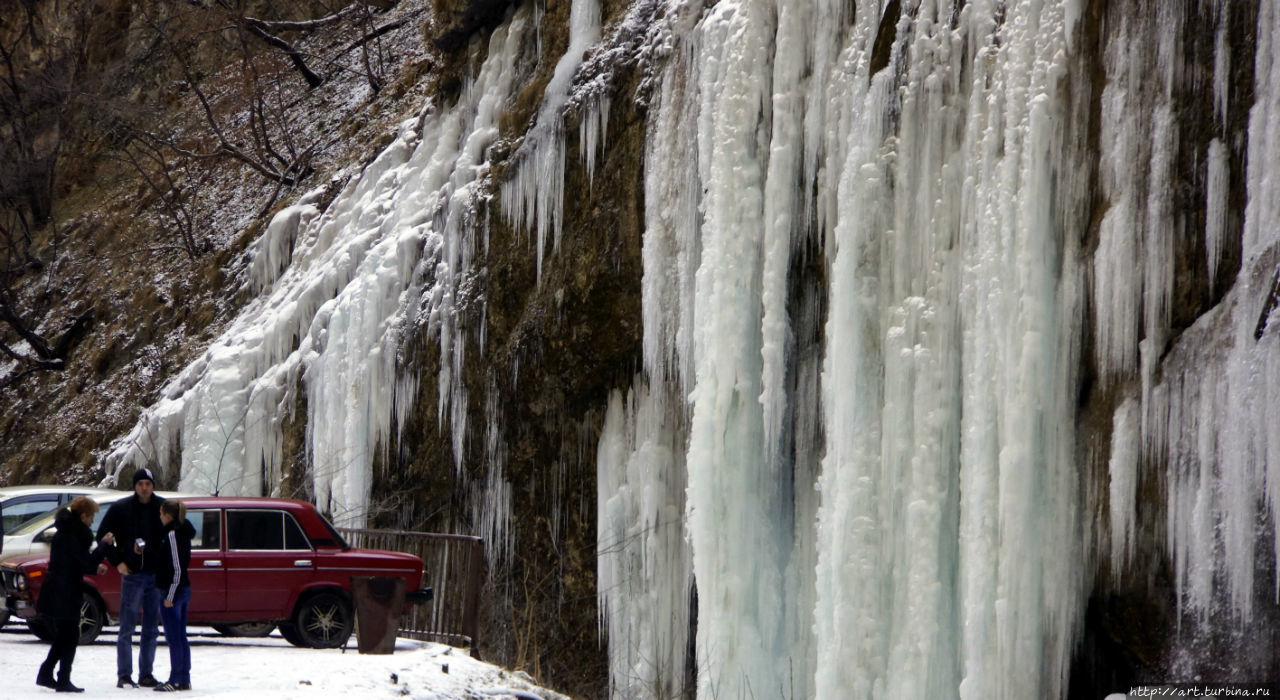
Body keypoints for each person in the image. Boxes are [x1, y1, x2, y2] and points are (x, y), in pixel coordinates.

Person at [36, 496, 115, 693]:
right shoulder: (72, 535)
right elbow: (84, 562)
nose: (92, 521)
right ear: (83, 515)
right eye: (91, 517)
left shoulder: (68, 532)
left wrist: (95, 565)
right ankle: (61, 678)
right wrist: (103, 546)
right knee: (70, 635)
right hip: (64, 590)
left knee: (65, 635)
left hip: (62, 588)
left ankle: (47, 673)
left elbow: (80, 562)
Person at [98, 468, 166, 688]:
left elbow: (177, 534)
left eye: (147, 483)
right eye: (140, 484)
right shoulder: (121, 508)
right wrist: (118, 561)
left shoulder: (162, 507)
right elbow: (103, 537)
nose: (144, 488)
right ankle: (124, 675)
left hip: (155, 575)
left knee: (151, 629)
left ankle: (146, 673)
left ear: (153, 485)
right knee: (127, 627)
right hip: (132, 575)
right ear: (135, 486)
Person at [153, 500, 194, 692]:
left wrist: (170, 594)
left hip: (174, 591)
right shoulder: (181, 532)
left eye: (161, 514)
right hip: (181, 589)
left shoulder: (173, 534)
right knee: (180, 635)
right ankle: (183, 676)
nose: (160, 518)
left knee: (174, 637)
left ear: (167, 515)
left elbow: (177, 567)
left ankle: (176, 677)